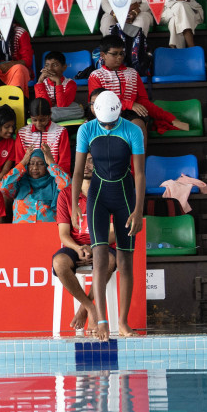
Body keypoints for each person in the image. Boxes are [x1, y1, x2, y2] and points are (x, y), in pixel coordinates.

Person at [72, 90, 146, 340]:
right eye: (104, 123)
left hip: (125, 197)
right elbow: (77, 171)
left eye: (111, 123)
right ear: (94, 112)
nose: (107, 126)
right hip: (98, 197)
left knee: (125, 262)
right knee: (100, 259)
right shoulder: (86, 130)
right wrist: (73, 205)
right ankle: (101, 320)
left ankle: (123, 323)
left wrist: (138, 210)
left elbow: (139, 174)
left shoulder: (132, 130)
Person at [88, 34, 189, 133]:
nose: (119, 57)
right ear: (103, 55)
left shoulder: (132, 73)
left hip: (130, 114)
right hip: (105, 116)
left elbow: (144, 102)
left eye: (121, 53)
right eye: (114, 54)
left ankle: (141, 151)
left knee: (138, 126)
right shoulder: (96, 75)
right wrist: (130, 104)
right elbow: (98, 103)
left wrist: (171, 119)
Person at [53, 156, 99, 337]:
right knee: (59, 263)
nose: (86, 166)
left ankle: (83, 309)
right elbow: (64, 234)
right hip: (75, 246)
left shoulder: (106, 192)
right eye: (83, 161)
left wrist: (92, 246)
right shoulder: (66, 194)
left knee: (106, 261)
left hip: (101, 244)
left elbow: (113, 230)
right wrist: (79, 248)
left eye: (91, 161)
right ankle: (89, 307)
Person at [17, 95, 73, 174]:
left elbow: (64, 162)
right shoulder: (23, 133)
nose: (38, 124)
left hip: (54, 176)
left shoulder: (60, 132)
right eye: (34, 120)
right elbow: (19, 162)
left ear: (49, 116)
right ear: (30, 116)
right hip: (28, 177)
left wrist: (59, 177)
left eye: (42, 120)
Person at [0, 13, 34, 92]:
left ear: (3, 11)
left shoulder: (20, 32)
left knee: (19, 68)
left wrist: (7, 65)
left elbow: (27, 60)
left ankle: (16, 101)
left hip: (16, 68)